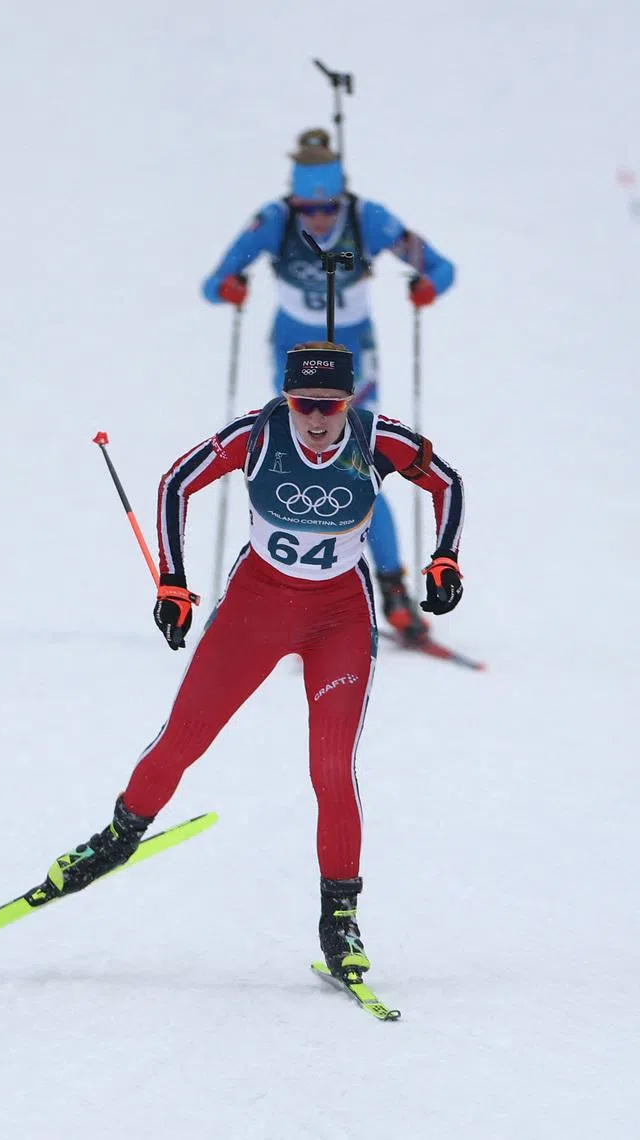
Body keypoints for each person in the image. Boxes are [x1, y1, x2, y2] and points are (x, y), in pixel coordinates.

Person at [41, 341, 465, 984]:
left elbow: (448, 483)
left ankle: (340, 918)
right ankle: (118, 837)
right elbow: (175, 482)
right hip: (256, 609)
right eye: (303, 404)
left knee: (331, 766)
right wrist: (174, 583)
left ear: (349, 402)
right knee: (183, 737)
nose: (317, 419)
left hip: (339, 620)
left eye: (329, 405)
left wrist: (445, 559)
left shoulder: (380, 440)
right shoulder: (260, 434)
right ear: (287, 399)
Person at [201, 128, 457, 642]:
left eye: (326, 210)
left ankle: (393, 591)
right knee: (292, 462)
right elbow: (214, 283)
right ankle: (285, 592)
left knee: (357, 464)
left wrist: (426, 286)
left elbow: (441, 267)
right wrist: (232, 286)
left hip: (353, 360)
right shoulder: (273, 222)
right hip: (294, 359)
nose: (318, 220)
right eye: (307, 210)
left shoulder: (370, 220)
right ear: (294, 200)